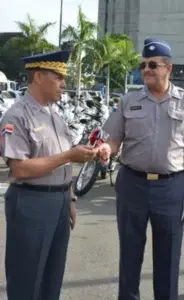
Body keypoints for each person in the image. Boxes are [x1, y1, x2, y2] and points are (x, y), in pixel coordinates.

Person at [99, 37, 184, 300]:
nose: (146, 69)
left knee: (168, 257)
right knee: (130, 253)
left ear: (168, 68)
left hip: (171, 187)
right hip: (132, 184)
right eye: (143, 65)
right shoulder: (128, 101)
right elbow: (114, 139)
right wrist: (106, 149)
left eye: (152, 65)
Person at [0, 50, 99, 300]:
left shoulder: (55, 115)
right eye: (58, 76)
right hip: (31, 202)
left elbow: (62, 163)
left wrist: (71, 199)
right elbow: (20, 168)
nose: (63, 83)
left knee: (52, 278)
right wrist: (69, 156)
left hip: (60, 202)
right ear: (39, 76)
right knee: (26, 279)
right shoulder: (17, 116)